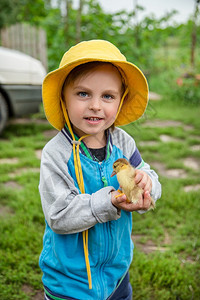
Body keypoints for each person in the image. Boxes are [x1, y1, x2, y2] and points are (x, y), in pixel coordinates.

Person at [39, 39, 161, 300]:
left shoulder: (123, 143)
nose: (96, 105)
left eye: (107, 96)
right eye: (83, 94)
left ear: (121, 100)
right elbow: (59, 215)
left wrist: (147, 183)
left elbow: (147, 172)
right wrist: (109, 202)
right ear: (63, 98)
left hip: (117, 276)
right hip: (70, 283)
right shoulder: (56, 153)